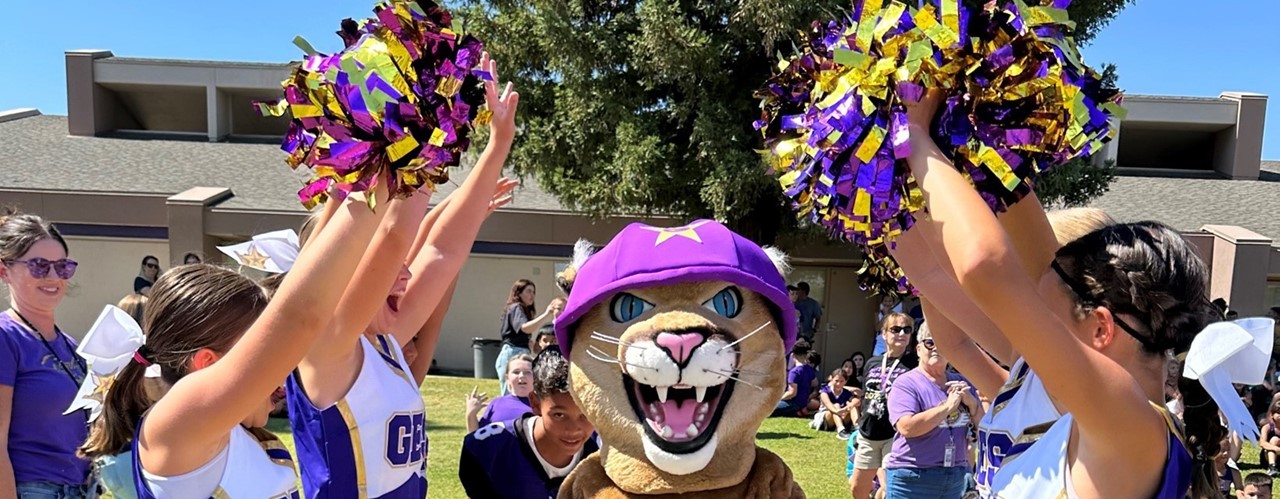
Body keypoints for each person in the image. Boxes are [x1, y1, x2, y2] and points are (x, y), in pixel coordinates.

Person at [895, 89, 1220, 498]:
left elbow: (985, 269)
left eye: (1042, 309)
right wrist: (945, 134)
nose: (1023, 317)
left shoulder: (1130, 422)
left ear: (1101, 328)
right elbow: (936, 273)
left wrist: (914, 137)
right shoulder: (1060, 384)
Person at [284, 52, 521, 498]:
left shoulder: (385, 344)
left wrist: (496, 147)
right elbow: (395, 234)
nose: (405, 273)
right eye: (389, 269)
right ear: (346, 273)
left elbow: (441, 251)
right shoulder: (327, 348)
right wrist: (439, 119)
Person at [77, 181, 387, 497]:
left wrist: (349, 181)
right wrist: (376, 181)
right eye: (261, 349)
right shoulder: (176, 421)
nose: (283, 364)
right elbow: (301, 316)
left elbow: (297, 294)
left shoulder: (234, 431)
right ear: (207, 362)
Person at [0, 210, 93, 498]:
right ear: (4, 270)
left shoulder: (71, 346)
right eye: (39, 266)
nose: (54, 276)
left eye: (62, 266)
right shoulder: (6, 337)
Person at [459, 348, 599, 498]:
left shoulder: (596, 459)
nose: (573, 429)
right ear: (535, 403)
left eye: (586, 415)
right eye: (559, 415)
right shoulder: (488, 448)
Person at [885, 323, 982, 499]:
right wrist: (947, 407)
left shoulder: (961, 383)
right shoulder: (906, 383)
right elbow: (907, 427)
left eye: (943, 343)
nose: (937, 348)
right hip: (913, 478)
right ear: (918, 348)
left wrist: (972, 404)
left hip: (954, 476)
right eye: (930, 342)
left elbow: (984, 428)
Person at [851, 313, 917, 499]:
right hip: (869, 432)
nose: (901, 333)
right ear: (884, 334)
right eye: (895, 329)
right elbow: (866, 395)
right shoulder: (872, 362)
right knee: (858, 488)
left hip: (895, 434)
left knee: (891, 487)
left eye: (907, 330)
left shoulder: (915, 364)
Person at [497, 279, 562, 396]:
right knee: (511, 393)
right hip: (513, 353)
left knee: (522, 391)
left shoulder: (520, 309)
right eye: (529, 291)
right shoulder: (516, 307)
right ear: (519, 293)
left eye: (533, 292)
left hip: (517, 351)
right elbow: (525, 328)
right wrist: (546, 314)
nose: (532, 295)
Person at [466, 353, 534, 433]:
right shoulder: (496, 403)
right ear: (507, 378)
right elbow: (477, 438)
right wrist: (471, 414)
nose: (522, 376)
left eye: (527, 372)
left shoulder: (542, 406)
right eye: (516, 372)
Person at [772, 340, 818, 417]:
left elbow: (792, 393)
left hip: (793, 403)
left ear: (792, 355)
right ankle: (799, 412)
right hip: (803, 402)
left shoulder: (794, 372)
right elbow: (815, 383)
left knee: (770, 408)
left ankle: (796, 412)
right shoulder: (810, 370)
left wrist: (779, 399)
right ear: (807, 355)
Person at [815, 368, 858, 439]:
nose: (838, 384)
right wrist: (838, 411)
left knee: (853, 406)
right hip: (826, 418)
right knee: (836, 405)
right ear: (831, 379)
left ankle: (857, 427)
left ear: (845, 382)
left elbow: (857, 400)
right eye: (836, 381)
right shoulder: (825, 391)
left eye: (841, 381)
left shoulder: (846, 392)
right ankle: (841, 430)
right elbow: (828, 405)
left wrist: (849, 407)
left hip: (842, 415)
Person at [1260, 401, 1280, 476]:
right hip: (1268, 456)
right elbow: (1262, 443)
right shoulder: (1267, 427)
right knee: (1275, 439)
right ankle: (1272, 467)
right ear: (1272, 415)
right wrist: (1277, 449)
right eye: (1278, 413)